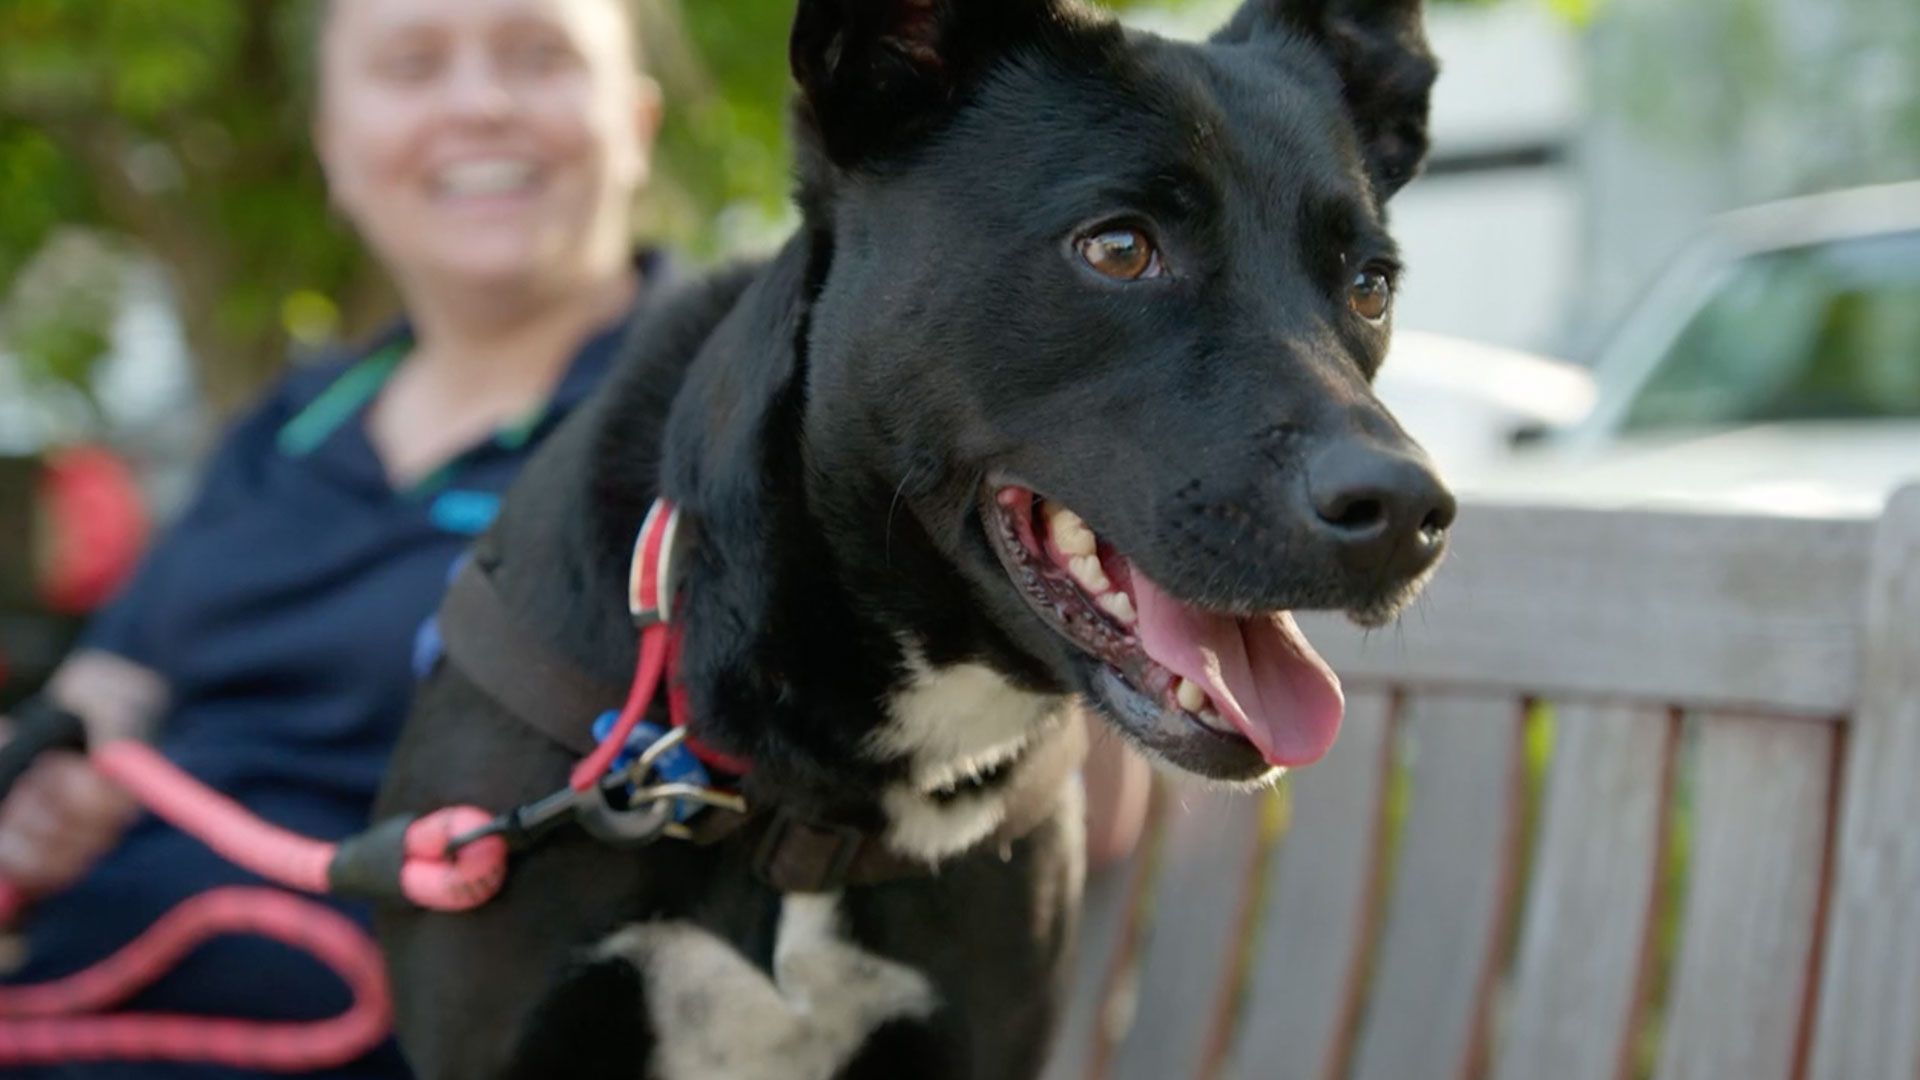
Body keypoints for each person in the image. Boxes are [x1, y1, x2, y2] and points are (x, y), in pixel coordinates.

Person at [0, 0, 663, 1075]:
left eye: (539, 55)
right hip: (74, 1002)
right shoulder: (287, 423)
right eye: (412, 65)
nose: (480, 103)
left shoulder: (722, 427)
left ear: (635, 121)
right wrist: (44, 793)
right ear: (334, 147)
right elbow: (110, 686)